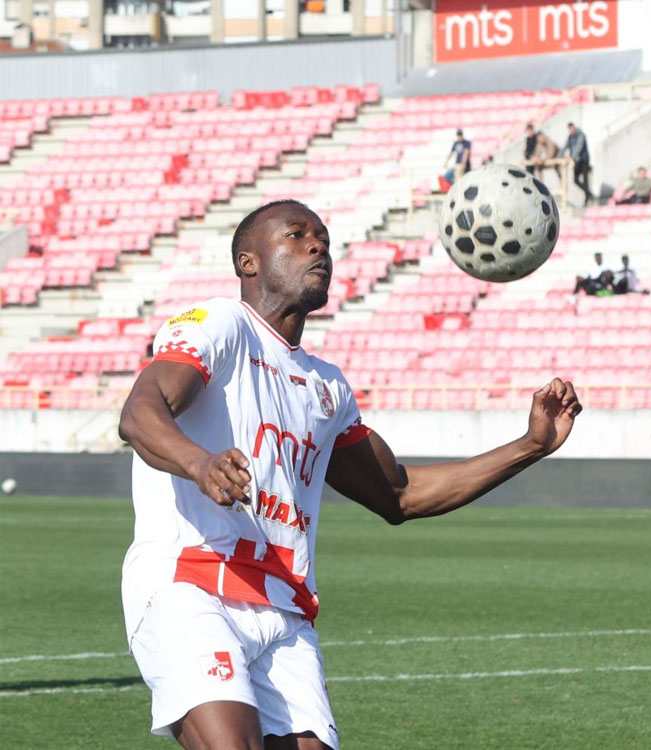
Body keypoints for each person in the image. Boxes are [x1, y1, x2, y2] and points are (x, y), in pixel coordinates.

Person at [116, 200, 583, 750]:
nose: (318, 246)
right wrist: (200, 463)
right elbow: (139, 412)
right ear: (248, 262)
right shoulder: (220, 324)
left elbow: (400, 495)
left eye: (324, 238)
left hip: (283, 608)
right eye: (296, 235)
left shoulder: (327, 387)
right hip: (189, 584)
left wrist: (530, 446)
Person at [564, 122, 593, 205]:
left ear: (574, 127)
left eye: (571, 128)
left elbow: (578, 148)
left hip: (583, 160)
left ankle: (587, 198)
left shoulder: (581, 135)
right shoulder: (570, 137)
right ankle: (589, 193)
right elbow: (565, 147)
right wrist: (559, 156)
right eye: (569, 129)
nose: (571, 130)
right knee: (575, 180)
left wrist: (571, 157)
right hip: (576, 161)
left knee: (585, 180)